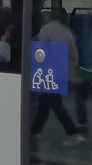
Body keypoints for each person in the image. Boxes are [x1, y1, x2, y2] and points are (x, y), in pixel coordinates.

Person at [30, 8, 85, 149]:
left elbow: (39, 54)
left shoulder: (45, 30)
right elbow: (75, 58)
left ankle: (72, 133)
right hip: (62, 74)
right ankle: (36, 131)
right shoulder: (69, 34)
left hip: (48, 74)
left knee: (51, 102)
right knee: (50, 102)